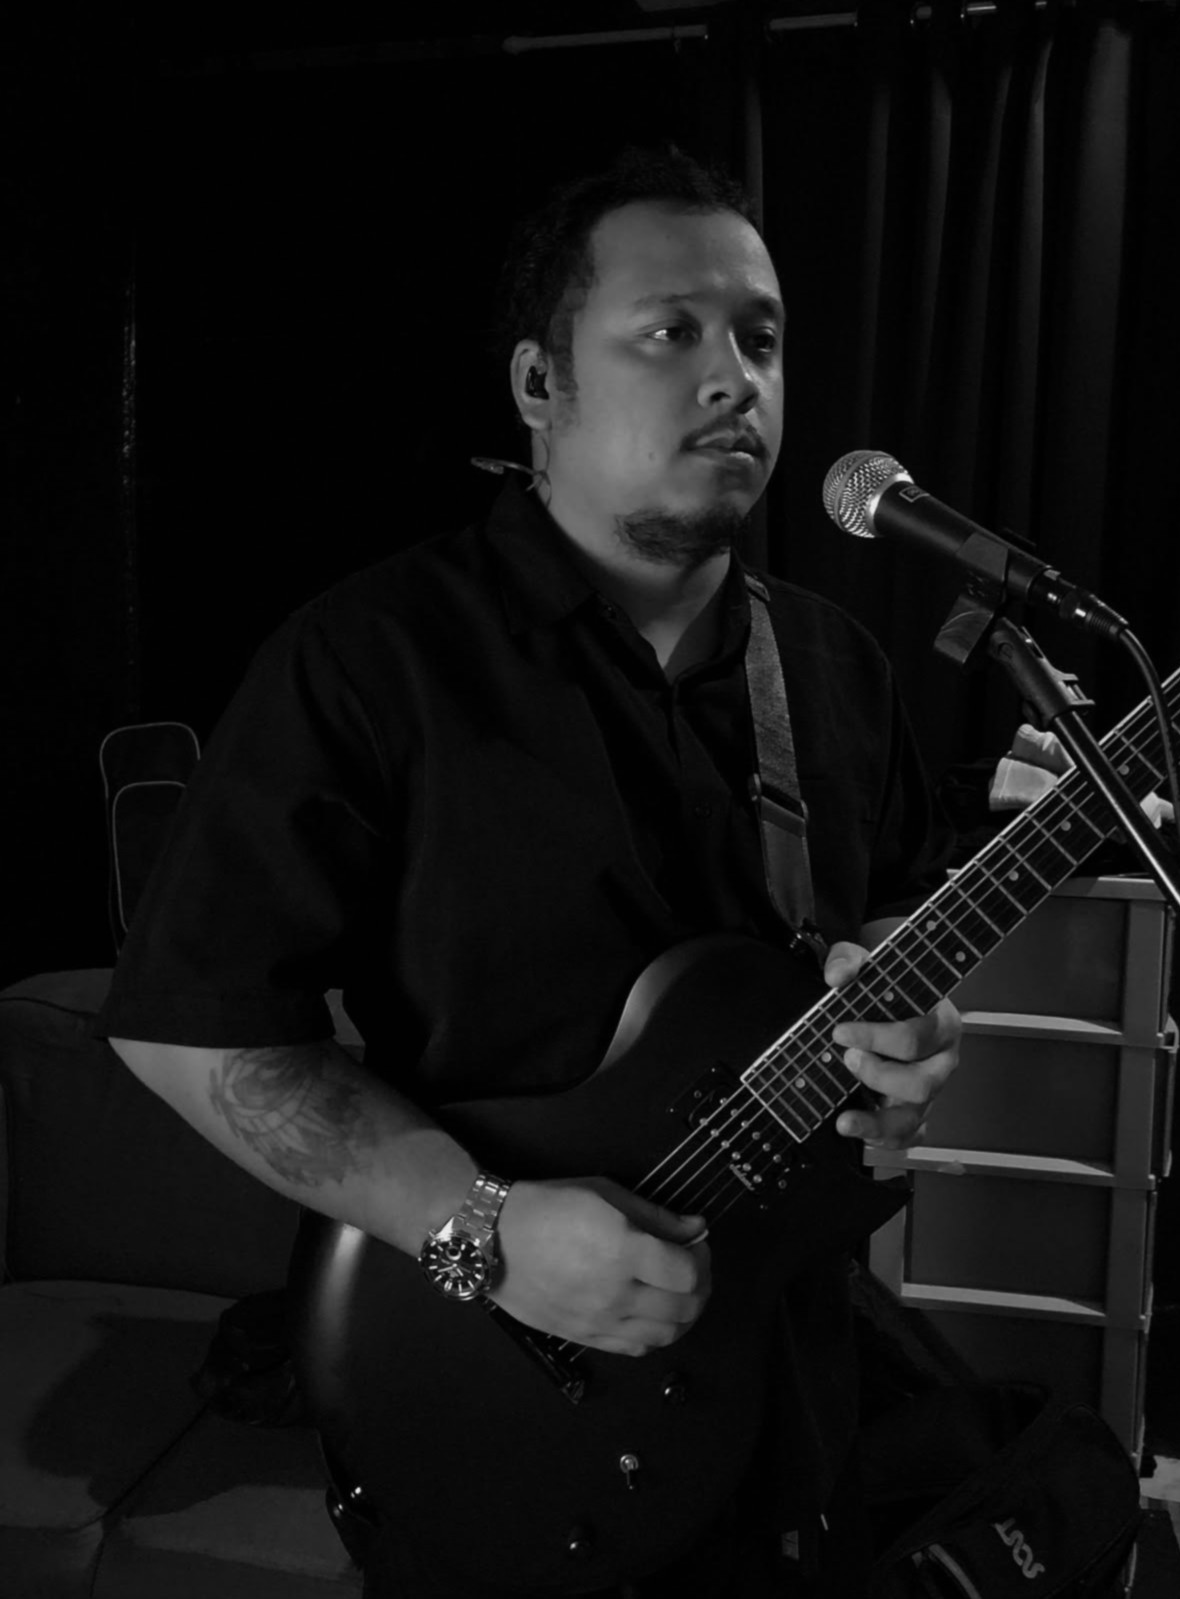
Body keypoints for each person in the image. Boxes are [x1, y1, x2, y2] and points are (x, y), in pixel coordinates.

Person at [101, 147, 966, 1598]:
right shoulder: (369, 661)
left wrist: (906, 1034)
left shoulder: (835, 668)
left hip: (789, 1383)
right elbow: (188, 1030)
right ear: (536, 384)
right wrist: (479, 1234)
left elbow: (887, 925)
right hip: (490, 1400)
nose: (733, 379)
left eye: (760, 339)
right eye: (669, 332)